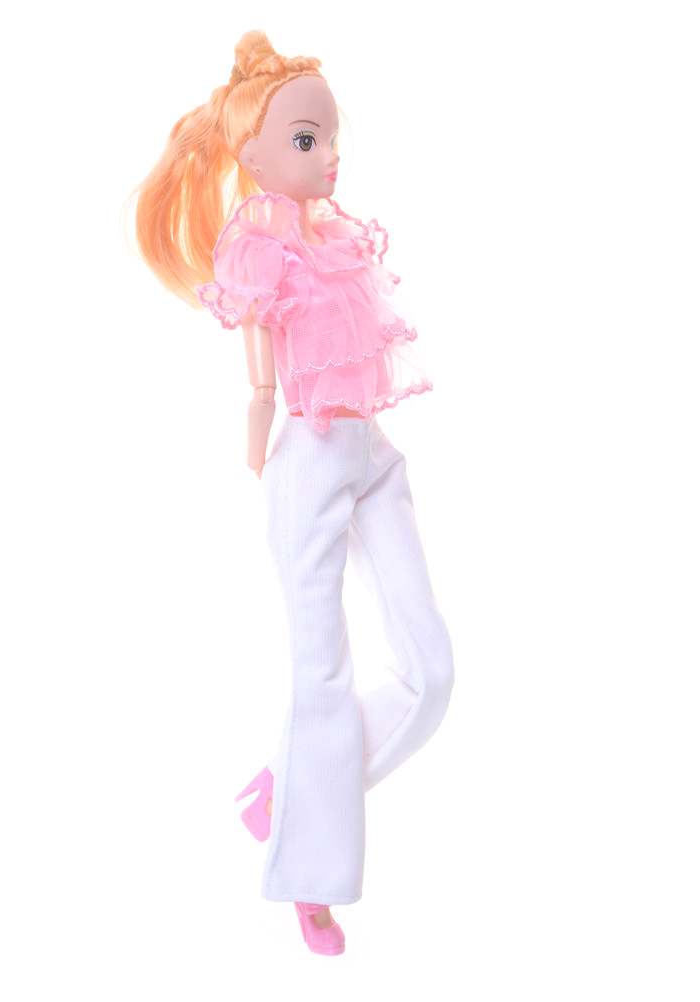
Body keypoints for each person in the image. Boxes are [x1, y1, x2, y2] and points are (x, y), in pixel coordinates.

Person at [133, 30, 453, 957]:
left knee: (432, 671)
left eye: (329, 136)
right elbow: (259, 366)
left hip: (370, 452)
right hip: (305, 461)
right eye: (307, 140)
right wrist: (255, 433)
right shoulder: (261, 245)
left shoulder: (339, 236)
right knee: (323, 675)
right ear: (254, 157)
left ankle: (285, 786)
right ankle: (311, 880)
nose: (329, 154)